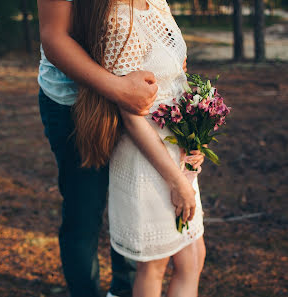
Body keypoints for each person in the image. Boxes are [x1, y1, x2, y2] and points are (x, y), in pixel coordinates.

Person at [72, 1, 206, 297]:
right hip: (148, 158)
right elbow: (132, 117)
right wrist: (175, 180)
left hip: (177, 147)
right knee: (154, 265)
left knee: (193, 256)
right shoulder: (119, 19)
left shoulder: (156, 2)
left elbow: (178, 76)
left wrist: (198, 135)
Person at [37, 1, 159, 296]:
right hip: (72, 104)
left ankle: (124, 290)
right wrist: (119, 90)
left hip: (135, 101)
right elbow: (54, 37)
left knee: (133, 203)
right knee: (84, 212)